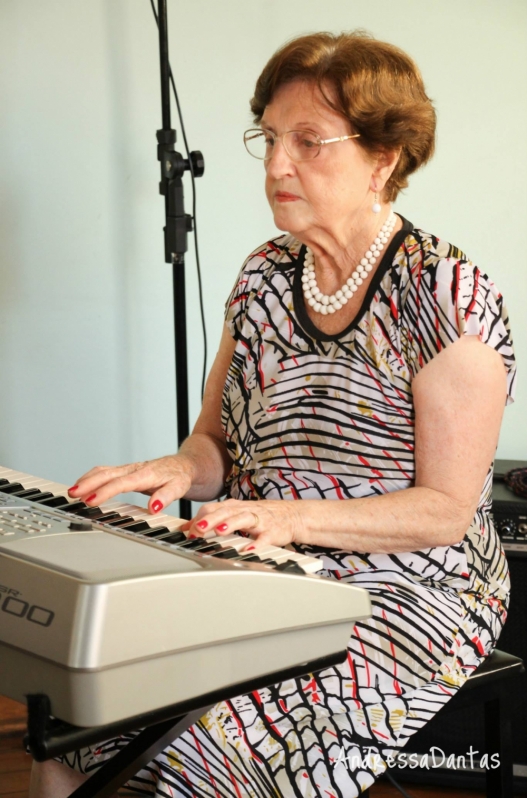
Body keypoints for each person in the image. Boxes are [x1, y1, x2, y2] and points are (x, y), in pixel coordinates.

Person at [30, 30, 516, 798]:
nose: (275, 164)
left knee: (217, 741)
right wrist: (179, 466)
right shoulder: (262, 274)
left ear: (382, 160)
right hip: (266, 560)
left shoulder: (445, 295)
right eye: (269, 137)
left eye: (309, 142)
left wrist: (284, 518)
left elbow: (445, 512)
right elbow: (216, 444)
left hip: (408, 581)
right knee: (76, 723)